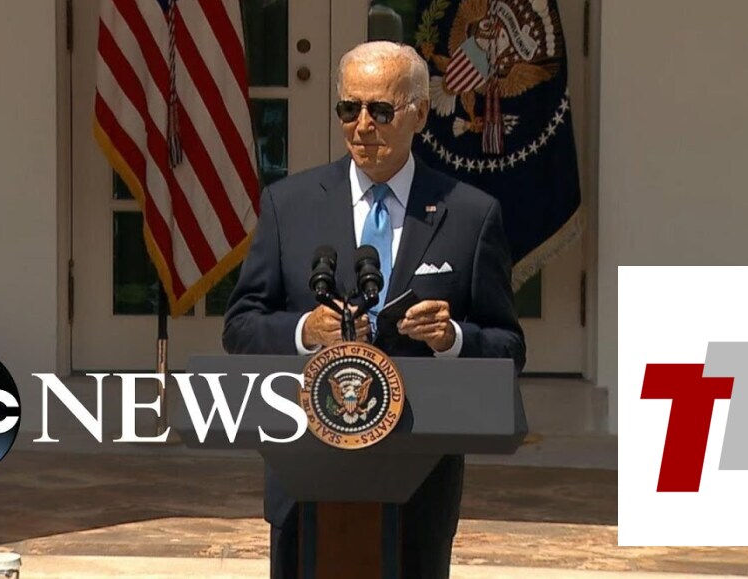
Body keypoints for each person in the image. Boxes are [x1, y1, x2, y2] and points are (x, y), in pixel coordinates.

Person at [222, 40, 526, 579]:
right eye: (349, 109)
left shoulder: (470, 214)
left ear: (420, 114)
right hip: (306, 473)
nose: (362, 126)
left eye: (381, 111)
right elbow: (241, 326)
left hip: (418, 480)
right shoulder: (289, 205)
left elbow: (508, 346)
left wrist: (451, 338)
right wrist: (306, 331)